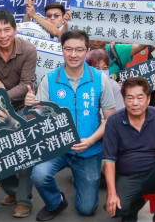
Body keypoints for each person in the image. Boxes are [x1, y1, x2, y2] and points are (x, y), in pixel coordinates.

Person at [27, 30, 115, 220]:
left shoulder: (100, 79)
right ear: (62, 50)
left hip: (89, 149)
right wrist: (32, 106)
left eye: (79, 50)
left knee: (86, 209)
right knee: (39, 174)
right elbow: (38, 119)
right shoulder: (50, 80)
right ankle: (55, 201)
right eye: (68, 49)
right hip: (57, 147)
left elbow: (110, 119)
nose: (73, 54)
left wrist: (90, 141)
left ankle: (80, 179)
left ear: (87, 51)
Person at [102, 77, 155, 222]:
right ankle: (135, 204)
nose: (135, 103)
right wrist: (112, 193)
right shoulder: (113, 121)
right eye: (130, 98)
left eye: (140, 97)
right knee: (116, 210)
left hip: (154, 171)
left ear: (148, 99)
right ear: (124, 100)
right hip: (127, 176)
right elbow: (109, 160)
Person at [0, 9, 36, 217]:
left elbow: (26, 84)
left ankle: (24, 200)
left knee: (24, 149)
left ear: (15, 30)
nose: (2, 35)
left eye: (7, 30)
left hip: (21, 107)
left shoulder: (28, 50)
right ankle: (13, 189)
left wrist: (1, 98)